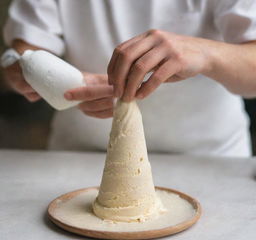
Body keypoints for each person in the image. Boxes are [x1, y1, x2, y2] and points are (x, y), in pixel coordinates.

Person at [2, 0, 256, 156]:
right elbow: (26, 53)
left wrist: (206, 52)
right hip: (82, 157)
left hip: (208, 159)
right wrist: (51, 82)